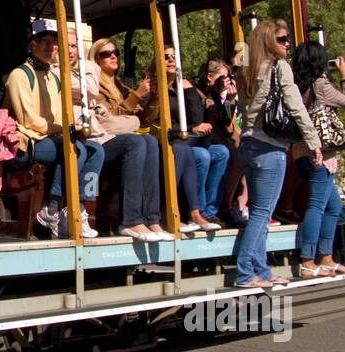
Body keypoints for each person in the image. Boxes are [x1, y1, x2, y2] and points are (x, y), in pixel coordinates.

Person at [234, 20, 322, 288]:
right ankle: (245, 273)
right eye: (282, 39)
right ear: (270, 42)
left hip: (247, 146)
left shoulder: (245, 70)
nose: (288, 45)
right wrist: (313, 141)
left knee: (258, 211)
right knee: (262, 214)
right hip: (270, 148)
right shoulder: (279, 67)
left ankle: (262, 269)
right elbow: (296, 107)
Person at [5, 21, 104, 237]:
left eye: (54, 44)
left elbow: (59, 116)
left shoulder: (53, 78)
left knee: (97, 151)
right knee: (75, 149)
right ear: (32, 44)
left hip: (50, 140)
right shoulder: (20, 75)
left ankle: (79, 206)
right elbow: (28, 120)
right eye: (45, 42)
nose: (51, 48)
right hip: (24, 144)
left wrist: (72, 129)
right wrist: (64, 129)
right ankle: (52, 209)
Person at [90, 37, 174, 241]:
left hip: (123, 140)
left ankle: (151, 218)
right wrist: (136, 95)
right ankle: (130, 220)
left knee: (151, 141)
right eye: (106, 54)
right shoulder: (95, 86)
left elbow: (144, 119)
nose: (113, 56)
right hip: (102, 141)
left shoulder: (121, 87)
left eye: (116, 53)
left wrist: (154, 95)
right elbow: (108, 118)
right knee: (136, 141)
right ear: (96, 59)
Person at [292, 40, 345, 277]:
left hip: (300, 152)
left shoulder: (296, 84)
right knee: (317, 206)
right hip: (320, 155)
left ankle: (326, 257)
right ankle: (308, 260)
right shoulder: (320, 84)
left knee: (334, 205)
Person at [159, 48, 224, 232]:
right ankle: (195, 211)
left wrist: (189, 90)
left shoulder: (182, 87)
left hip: (188, 140)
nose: (171, 60)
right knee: (202, 156)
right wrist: (187, 129)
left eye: (175, 57)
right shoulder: (156, 88)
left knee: (221, 153)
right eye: (166, 57)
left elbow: (197, 118)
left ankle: (210, 211)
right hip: (171, 140)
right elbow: (156, 122)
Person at [197, 56, 248, 225]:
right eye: (222, 78)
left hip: (220, 138)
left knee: (245, 146)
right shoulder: (201, 94)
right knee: (235, 150)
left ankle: (238, 205)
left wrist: (230, 100)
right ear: (210, 77)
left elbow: (227, 122)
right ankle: (224, 205)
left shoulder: (219, 96)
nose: (226, 82)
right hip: (206, 139)